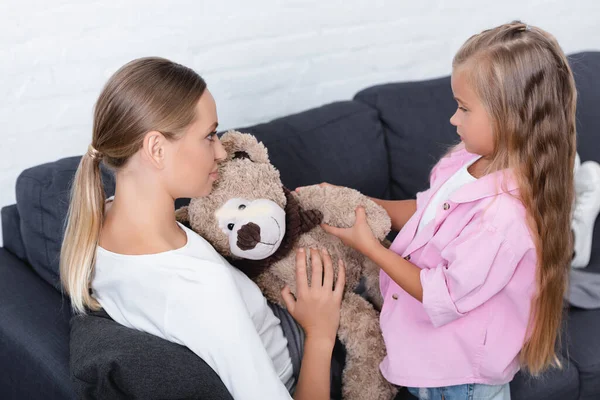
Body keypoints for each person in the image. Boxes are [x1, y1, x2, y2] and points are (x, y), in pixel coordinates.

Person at [314, 21, 578, 400]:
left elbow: (442, 295)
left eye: (464, 108)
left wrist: (373, 248)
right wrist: (362, 203)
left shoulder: (504, 219)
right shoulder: (466, 159)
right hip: (427, 357)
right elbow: (427, 213)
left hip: (460, 380)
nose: (454, 119)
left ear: (511, 117)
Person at [59, 57, 346, 400]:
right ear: (156, 149)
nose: (221, 153)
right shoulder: (200, 288)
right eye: (209, 136)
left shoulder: (100, 222)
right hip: (300, 365)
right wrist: (320, 333)